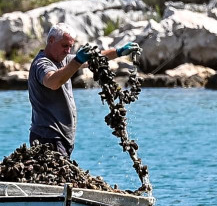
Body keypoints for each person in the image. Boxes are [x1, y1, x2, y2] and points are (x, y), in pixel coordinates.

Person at [28, 23, 140, 156]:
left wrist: (119, 52)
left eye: (70, 46)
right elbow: (53, 82)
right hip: (48, 138)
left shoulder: (62, 59)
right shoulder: (42, 63)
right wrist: (77, 61)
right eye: (65, 46)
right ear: (51, 40)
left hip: (61, 138)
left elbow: (95, 57)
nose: (68, 51)